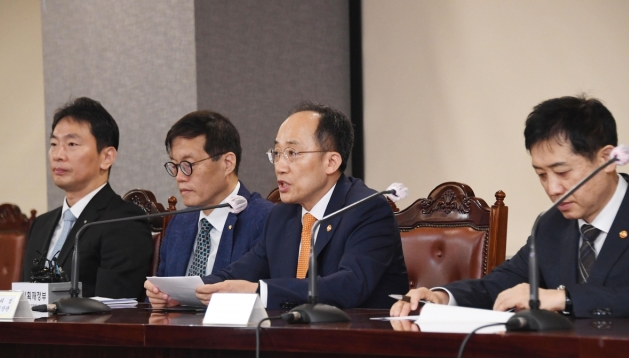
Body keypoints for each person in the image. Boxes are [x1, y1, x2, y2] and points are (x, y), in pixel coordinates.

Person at [391, 95, 629, 319]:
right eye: (542, 175)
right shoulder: (552, 225)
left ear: (607, 159)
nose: (552, 188)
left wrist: (564, 298)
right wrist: (442, 297)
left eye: (562, 172)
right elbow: (499, 285)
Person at [147, 102, 408, 310]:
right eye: (277, 153)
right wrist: (178, 292)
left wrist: (260, 292)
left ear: (331, 162)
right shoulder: (283, 216)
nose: (280, 166)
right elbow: (239, 272)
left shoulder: (367, 209)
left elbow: (349, 286)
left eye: (292, 153)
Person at [22, 97, 153, 298]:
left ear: (106, 157)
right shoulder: (41, 225)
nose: (58, 154)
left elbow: (113, 307)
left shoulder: (124, 221)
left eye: (72, 144)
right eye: (54, 143)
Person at [145, 111, 273, 286]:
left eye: (187, 165)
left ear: (227, 163)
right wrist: (157, 297)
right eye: (175, 165)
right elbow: (156, 297)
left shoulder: (264, 220)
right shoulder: (179, 223)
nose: (179, 177)